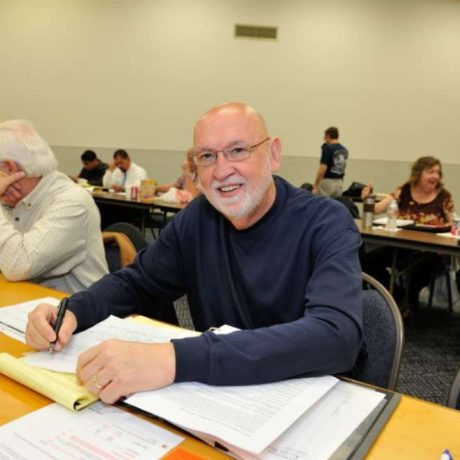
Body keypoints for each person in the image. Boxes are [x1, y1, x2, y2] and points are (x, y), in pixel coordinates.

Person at [26, 103, 364, 404]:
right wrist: (72, 310)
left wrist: (173, 360)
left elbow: (337, 336)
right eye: (207, 156)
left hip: (299, 400)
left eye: (237, 151)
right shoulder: (198, 220)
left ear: (273, 154)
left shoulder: (325, 221)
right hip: (215, 398)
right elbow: (137, 283)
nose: (221, 170)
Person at [0, 120, 108, 293]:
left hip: (75, 313)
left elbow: (18, 265)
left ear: (8, 168)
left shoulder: (72, 202)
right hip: (26, 301)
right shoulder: (9, 198)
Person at [361, 156, 455, 311]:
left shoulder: (444, 196)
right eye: (430, 172)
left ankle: (408, 301)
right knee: (366, 261)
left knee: (422, 269)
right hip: (402, 246)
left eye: (438, 173)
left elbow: (454, 225)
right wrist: (367, 199)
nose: (435, 176)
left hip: (433, 251)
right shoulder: (404, 190)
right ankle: (398, 296)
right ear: (418, 173)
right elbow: (377, 209)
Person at [313, 127, 348, 197]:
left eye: (324, 137)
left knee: (322, 205)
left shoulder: (328, 148)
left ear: (328, 136)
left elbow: (323, 168)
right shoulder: (344, 150)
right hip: (340, 183)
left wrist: (316, 184)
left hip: (328, 182)